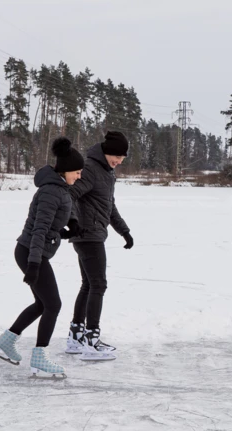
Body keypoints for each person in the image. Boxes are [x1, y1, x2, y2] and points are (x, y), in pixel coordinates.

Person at [0, 137, 84, 379]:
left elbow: (57, 218)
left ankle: (6, 341)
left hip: (32, 251)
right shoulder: (53, 191)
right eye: (77, 171)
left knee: (43, 304)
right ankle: (39, 357)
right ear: (64, 171)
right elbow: (39, 229)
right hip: (32, 252)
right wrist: (33, 264)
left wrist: (69, 226)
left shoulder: (59, 188)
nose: (79, 176)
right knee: (53, 304)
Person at [65, 131, 133, 361]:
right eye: (117, 156)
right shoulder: (91, 168)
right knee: (98, 285)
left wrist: (124, 231)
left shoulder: (106, 172)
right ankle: (91, 341)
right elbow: (70, 194)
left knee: (88, 285)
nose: (120, 161)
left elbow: (109, 207)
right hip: (87, 235)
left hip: (92, 234)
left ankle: (76, 336)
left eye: (122, 158)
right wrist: (73, 222)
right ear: (107, 152)